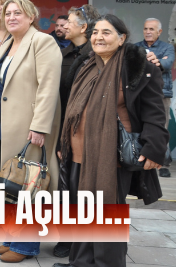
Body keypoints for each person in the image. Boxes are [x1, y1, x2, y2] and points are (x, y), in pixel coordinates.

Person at [54, 15, 168, 267]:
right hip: (78, 152)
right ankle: (81, 262)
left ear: (122, 38)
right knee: (82, 209)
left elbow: (154, 112)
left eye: (106, 32)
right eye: (95, 32)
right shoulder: (85, 65)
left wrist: (154, 148)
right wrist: (63, 144)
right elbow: (72, 108)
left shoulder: (138, 67)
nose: (98, 37)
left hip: (112, 155)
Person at [0, 0, 61, 263]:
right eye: (8, 14)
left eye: (18, 13)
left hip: (30, 128)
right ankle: (11, 238)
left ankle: (26, 246)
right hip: (5, 126)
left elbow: (48, 86)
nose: (11, 17)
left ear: (31, 17)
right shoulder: (7, 44)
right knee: (11, 184)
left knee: (29, 186)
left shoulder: (42, 41)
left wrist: (40, 126)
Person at [54, 3, 100, 259]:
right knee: (66, 187)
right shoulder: (64, 53)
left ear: (83, 27)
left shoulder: (95, 55)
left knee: (82, 188)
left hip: (86, 132)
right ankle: (67, 240)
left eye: (70, 22)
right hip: (64, 129)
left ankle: (82, 244)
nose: (64, 25)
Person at [136, 17, 175, 178]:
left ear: (159, 32)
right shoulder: (136, 47)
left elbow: (167, 64)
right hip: (138, 94)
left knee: (161, 128)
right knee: (139, 127)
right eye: (145, 29)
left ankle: (163, 164)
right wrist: (157, 60)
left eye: (151, 29)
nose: (148, 32)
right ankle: (139, 158)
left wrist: (156, 60)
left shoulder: (167, 47)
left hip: (161, 94)